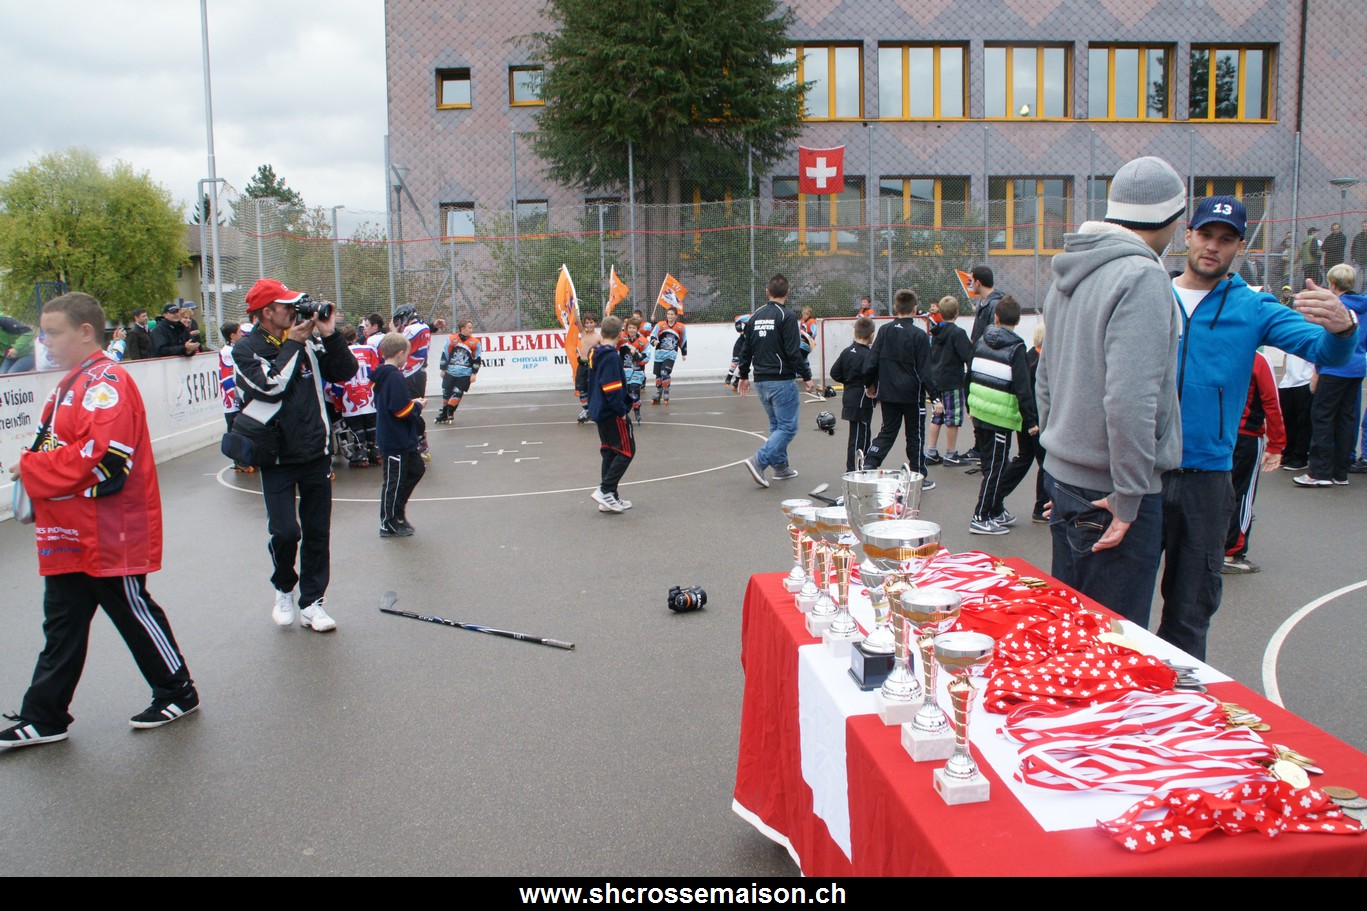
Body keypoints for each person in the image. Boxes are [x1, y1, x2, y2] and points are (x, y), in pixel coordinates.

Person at [1158, 198, 1355, 660]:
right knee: (1120, 607)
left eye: (1226, 239)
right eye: (1206, 235)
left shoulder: (1253, 306)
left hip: (1207, 479)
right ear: (1188, 235)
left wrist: (1343, 329)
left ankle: (1182, 696)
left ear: (1240, 247)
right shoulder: (1153, 296)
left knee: (1190, 610)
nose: (1213, 246)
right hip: (1141, 474)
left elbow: (1324, 350)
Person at [1, 292, 197, 750]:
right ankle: (45, 716)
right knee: (62, 623)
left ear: (85, 331)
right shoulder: (73, 381)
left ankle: (178, 691)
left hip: (108, 530)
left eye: (53, 333)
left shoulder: (106, 381)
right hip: (70, 529)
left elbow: (105, 458)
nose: (45, 342)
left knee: (131, 610)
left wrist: (32, 468)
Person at [1036, 156, 1187, 628]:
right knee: (1112, 643)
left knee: (1074, 634)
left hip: (1067, 479)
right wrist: (1129, 493)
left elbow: (1045, 378)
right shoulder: (1142, 276)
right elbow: (1130, 400)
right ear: (1172, 217)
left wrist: (1057, 466)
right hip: (1110, 491)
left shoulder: (1070, 272)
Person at [233, 278, 357, 632]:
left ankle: (312, 603)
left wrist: (329, 335)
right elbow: (270, 387)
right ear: (266, 312)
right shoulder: (245, 349)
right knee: (286, 532)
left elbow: (345, 372)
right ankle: (284, 586)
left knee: (318, 532)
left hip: (315, 450)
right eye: (286, 306)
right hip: (275, 455)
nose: (294, 311)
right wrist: (294, 344)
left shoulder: (308, 339)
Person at [966, 296, 1038, 534]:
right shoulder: (1017, 347)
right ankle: (981, 515)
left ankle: (995, 509)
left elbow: (970, 373)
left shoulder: (981, 340)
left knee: (991, 464)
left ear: (996, 317)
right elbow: (1023, 387)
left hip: (980, 408)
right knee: (996, 466)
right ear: (1017, 321)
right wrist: (1030, 420)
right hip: (999, 415)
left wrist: (969, 404)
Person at [1294, 264, 1367, 488]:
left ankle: (1319, 472)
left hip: (1334, 367)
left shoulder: (1335, 306)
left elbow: (1325, 338)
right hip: (1357, 367)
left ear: (1332, 283)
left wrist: (1317, 370)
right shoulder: (1363, 305)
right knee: (1346, 418)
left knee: (1322, 417)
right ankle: (1340, 471)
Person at [737, 274, 815, 487]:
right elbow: (793, 351)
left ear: (767, 292)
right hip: (781, 380)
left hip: (761, 381)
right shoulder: (786, 316)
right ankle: (759, 461)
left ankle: (781, 467)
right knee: (788, 427)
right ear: (787, 292)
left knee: (776, 425)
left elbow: (746, 348)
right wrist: (807, 376)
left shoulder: (756, 315)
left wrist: (743, 375)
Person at [861, 289, 938, 489]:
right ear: (915, 309)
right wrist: (936, 397)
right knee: (915, 435)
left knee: (887, 430)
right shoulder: (919, 335)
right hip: (912, 395)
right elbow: (925, 370)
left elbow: (872, 362)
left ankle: (870, 462)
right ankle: (918, 474)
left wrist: (869, 384)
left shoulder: (884, 331)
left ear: (895, 307)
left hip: (888, 392)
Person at [1222, 351, 1285, 574]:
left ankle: (1200, 547)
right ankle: (1230, 552)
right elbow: (1271, 401)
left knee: (1208, 490)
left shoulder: (1212, 350)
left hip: (1213, 433)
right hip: (1245, 436)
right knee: (1241, 494)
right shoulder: (1256, 359)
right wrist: (1276, 444)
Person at [372, 332, 426, 537]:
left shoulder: (384, 375)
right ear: (401, 354)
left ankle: (397, 512)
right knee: (393, 481)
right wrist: (417, 406)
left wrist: (412, 404)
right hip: (395, 438)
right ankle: (388, 522)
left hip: (401, 437)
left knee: (416, 469)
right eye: (407, 355)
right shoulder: (394, 376)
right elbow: (400, 410)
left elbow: (393, 403)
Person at [588, 316, 635, 513]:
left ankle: (610, 497)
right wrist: (621, 411)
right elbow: (612, 388)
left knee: (609, 452)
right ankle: (605, 490)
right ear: (620, 333)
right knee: (626, 451)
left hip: (600, 411)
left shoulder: (595, 353)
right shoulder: (611, 357)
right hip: (611, 411)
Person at [924, 296, 972, 466]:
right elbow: (968, 356)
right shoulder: (958, 333)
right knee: (953, 418)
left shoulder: (935, 333)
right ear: (957, 313)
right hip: (952, 381)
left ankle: (931, 451)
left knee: (936, 416)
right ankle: (951, 453)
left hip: (936, 379)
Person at [829, 316, 876, 472]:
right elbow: (871, 375)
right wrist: (867, 385)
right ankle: (854, 469)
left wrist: (848, 381)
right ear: (871, 335)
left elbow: (835, 373)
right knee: (859, 437)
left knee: (862, 433)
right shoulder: (868, 355)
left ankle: (861, 466)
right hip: (861, 399)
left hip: (850, 396)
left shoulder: (847, 351)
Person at [333, 324, 381, 468]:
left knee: (356, 427)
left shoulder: (340, 354)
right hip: (370, 397)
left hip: (350, 398)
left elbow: (338, 383)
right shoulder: (369, 349)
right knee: (372, 425)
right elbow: (376, 373)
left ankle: (360, 454)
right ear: (355, 336)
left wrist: (337, 403)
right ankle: (375, 452)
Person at [389, 305, 431, 458]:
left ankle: (420, 443)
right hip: (416, 372)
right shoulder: (422, 326)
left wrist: (393, 331)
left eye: (400, 320)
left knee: (411, 408)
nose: (400, 323)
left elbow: (396, 344)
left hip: (412, 372)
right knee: (412, 408)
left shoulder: (412, 329)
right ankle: (418, 441)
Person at [218, 321, 253, 473]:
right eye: (239, 332)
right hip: (232, 400)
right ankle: (239, 461)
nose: (242, 335)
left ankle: (245, 458)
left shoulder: (235, 349)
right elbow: (228, 377)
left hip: (238, 396)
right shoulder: (227, 352)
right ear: (232, 336)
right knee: (235, 429)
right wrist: (235, 397)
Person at [1024, 323, 1050, 522]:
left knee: (1025, 460)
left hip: (1029, 418)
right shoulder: (1040, 362)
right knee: (1045, 465)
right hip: (1037, 420)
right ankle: (1041, 508)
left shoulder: (1029, 356)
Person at [436, 319, 481, 425]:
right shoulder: (452, 339)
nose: (471, 330)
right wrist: (443, 369)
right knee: (446, 392)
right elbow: (445, 354)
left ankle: (450, 411)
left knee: (458, 392)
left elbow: (477, 358)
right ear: (462, 329)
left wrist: (474, 373)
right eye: (469, 328)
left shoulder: (475, 342)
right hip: (450, 371)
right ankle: (444, 413)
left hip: (465, 373)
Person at [1277, 351, 1314, 473]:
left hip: (1305, 381)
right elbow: (1285, 355)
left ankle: (1300, 457)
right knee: (1288, 421)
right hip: (1288, 384)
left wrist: (1314, 382)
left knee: (1303, 423)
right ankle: (1288, 453)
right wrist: (1284, 376)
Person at [650, 308, 686, 406]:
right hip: (659, 354)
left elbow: (683, 340)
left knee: (664, 372)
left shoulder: (680, 327)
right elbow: (653, 334)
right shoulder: (660, 325)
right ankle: (658, 393)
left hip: (671, 354)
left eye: (672, 314)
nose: (670, 316)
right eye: (668, 314)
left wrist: (684, 353)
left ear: (676, 316)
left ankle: (666, 392)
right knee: (658, 375)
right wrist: (654, 341)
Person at [620, 317, 650, 423]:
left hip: (637, 370)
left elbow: (646, 358)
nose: (631, 330)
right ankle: (623, 413)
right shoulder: (621, 338)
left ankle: (637, 409)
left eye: (634, 328)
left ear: (637, 329)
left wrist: (636, 354)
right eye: (630, 327)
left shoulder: (643, 341)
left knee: (634, 389)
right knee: (624, 392)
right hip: (624, 370)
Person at [967, 266, 1003, 346]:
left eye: (971, 280)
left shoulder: (995, 304)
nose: (970, 284)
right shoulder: (981, 301)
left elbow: (995, 334)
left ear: (977, 283)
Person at [574, 313, 600, 423]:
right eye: (587, 323)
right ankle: (587, 410)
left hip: (592, 367)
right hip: (582, 366)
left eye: (591, 322)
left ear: (595, 323)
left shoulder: (599, 337)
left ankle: (595, 410)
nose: (589, 325)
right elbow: (576, 320)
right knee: (581, 390)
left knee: (593, 390)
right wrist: (574, 309)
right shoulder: (583, 333)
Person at [724, 314, 748, 393]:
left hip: (750, 345)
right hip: (741, 343)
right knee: (736, 360)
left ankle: (737, 382)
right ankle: (729, 377)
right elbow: (737, 318)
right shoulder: (751, 317)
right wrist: (740, 330)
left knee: (744, 364)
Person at [1352, 221, 1367, 293]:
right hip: (1358, 260)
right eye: (1363, 226)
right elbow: (1353, 247)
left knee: (1366, 279)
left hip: (1366, 261)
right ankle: (1352, 291)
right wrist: (1353, 257)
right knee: (1353, 277)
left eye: (1366, 226)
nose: (1364, 228)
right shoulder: (1358, 236)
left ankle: (1363, 292)